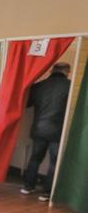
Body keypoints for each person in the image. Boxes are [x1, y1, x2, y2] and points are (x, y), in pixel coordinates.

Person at [21, 62, 71, 202]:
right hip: (57, 130)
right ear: (68, 72)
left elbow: (27, 104)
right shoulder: (70, 86)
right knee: (54, 162)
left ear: (50, 70)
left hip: (39, 128)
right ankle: (47, 193)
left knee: (35, 158)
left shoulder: (39, 86)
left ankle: (27, 186)